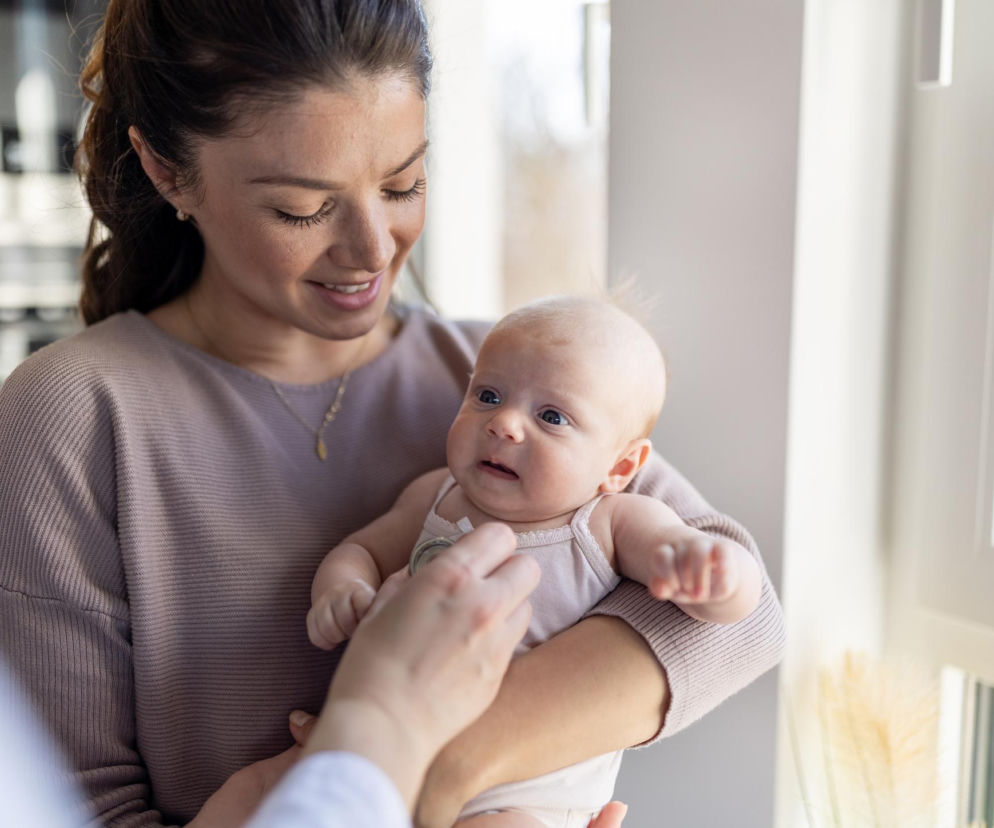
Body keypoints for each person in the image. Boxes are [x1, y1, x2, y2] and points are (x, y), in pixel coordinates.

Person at [0, 1, 785, 826]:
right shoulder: (72, 418)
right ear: (167, 171)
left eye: (403, 183)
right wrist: (387, 763)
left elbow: (740, 615)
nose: (374, 250)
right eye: (303, 208)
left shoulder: (510, 379)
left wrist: (446, 766)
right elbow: (77, 809)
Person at [307, 297, 762, 827]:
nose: (503, 423)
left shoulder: (609, 522)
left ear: (620, 466)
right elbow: (361, 551)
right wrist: (341, 590)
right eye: (488, 395)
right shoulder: (436, 496)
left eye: (551, 416)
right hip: (387, 756)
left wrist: (714, 573)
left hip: (522, 798)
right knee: (260, 790)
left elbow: (738, 606)